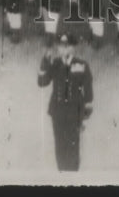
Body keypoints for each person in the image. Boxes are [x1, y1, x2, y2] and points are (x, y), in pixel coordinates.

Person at [38, 32, 94, 171]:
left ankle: (73, 175)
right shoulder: (55, 64)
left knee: (73, 144)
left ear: (73, 48)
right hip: (57, 111)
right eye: (61, 47)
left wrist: (85, 113)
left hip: (75, 112)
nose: (64, 49)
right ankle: (61, 174)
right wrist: (44, 63)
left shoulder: (81, 65)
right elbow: (42, 82)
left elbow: (88, 89)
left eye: (67, 46)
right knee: (60, 144)